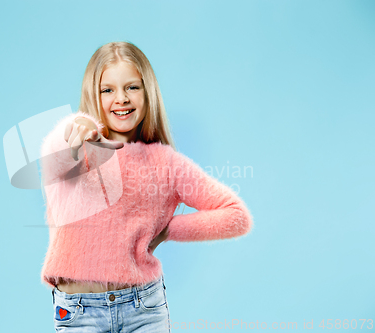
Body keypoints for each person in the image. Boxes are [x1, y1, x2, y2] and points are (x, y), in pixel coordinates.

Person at [39, 41, 254, 332]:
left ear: (147, 92)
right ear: (93, 94)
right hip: (79, 312)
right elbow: (56, 157)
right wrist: (75, 128)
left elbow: (236, 216)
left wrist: (170, 230)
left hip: (144, 308)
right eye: (108, 90)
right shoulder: (78, 147)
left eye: (132, 87)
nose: (121, 99)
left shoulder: (166, 162)